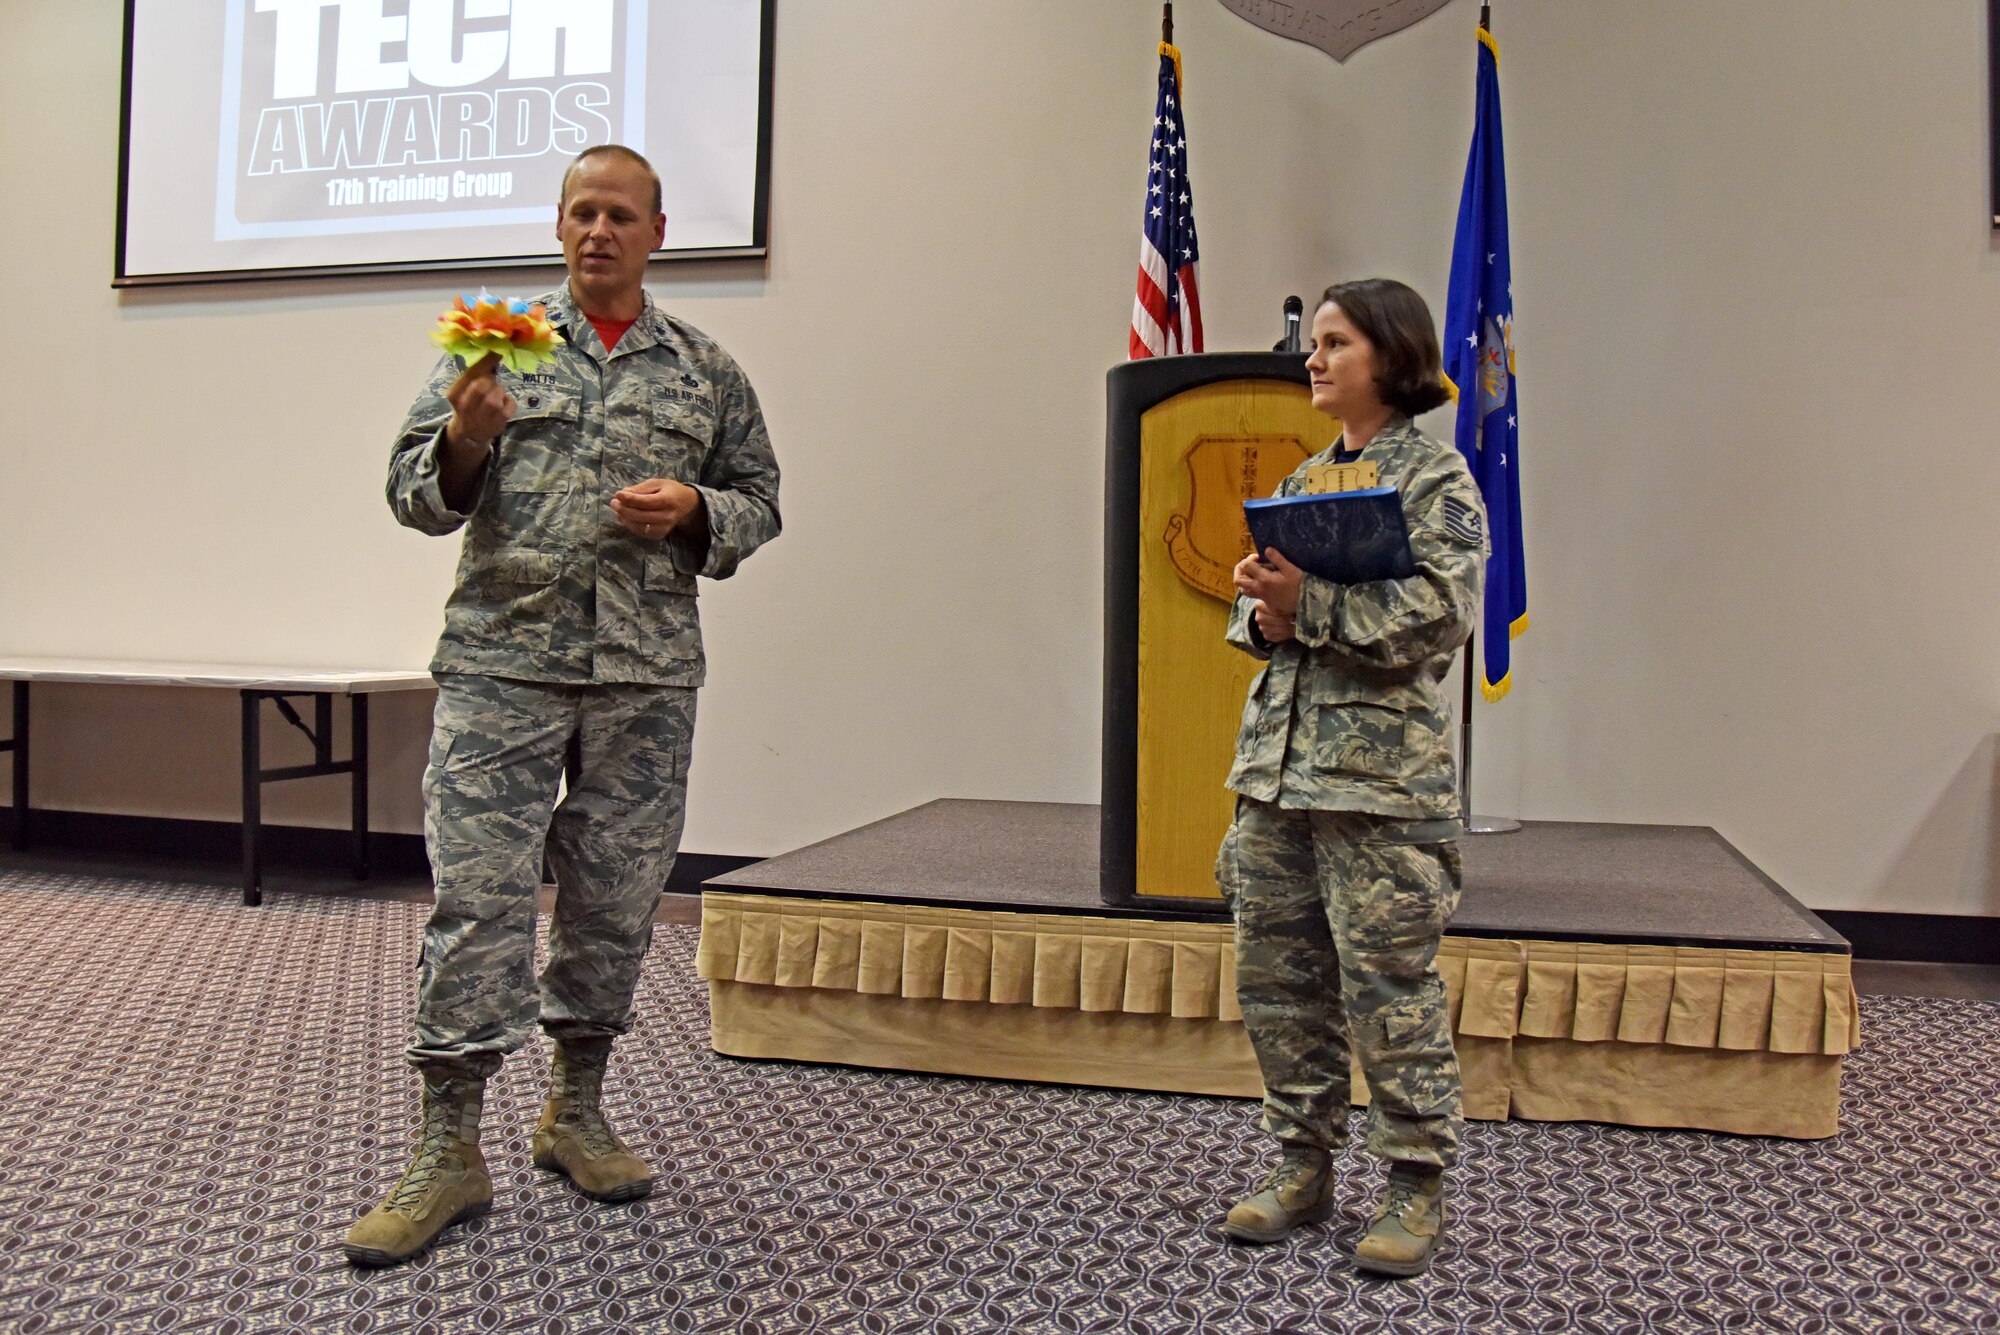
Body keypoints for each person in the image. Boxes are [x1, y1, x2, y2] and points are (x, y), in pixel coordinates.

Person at [345, 144, 781, 1268]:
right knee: (477, 897)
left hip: (643, 676)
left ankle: (573, 1110)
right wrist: (468, 436)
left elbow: (759, 501)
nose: (599, 231)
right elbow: (409, 494)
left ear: (657, 232)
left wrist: (694, 506)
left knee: (612, 899)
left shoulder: (704, 370)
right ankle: (448, 1146)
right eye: (581, 212)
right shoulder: (494, 348)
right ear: (558, 225)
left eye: (620, 215)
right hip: (503, 663)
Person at [1214, 278, 1486, 1277]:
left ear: (1390, 355)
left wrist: (1310, 608)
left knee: (1389, 992)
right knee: (1278, 988)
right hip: (1277, 783)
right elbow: (1253, 629)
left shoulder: (1433, 481)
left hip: (1380, 794)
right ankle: (1300, 1164)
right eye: (1314, 343)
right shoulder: (1296, 482)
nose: (1313, 359)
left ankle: (1412, 1185)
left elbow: (1441, 618)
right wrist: (1259, 605)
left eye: (1335, 343)